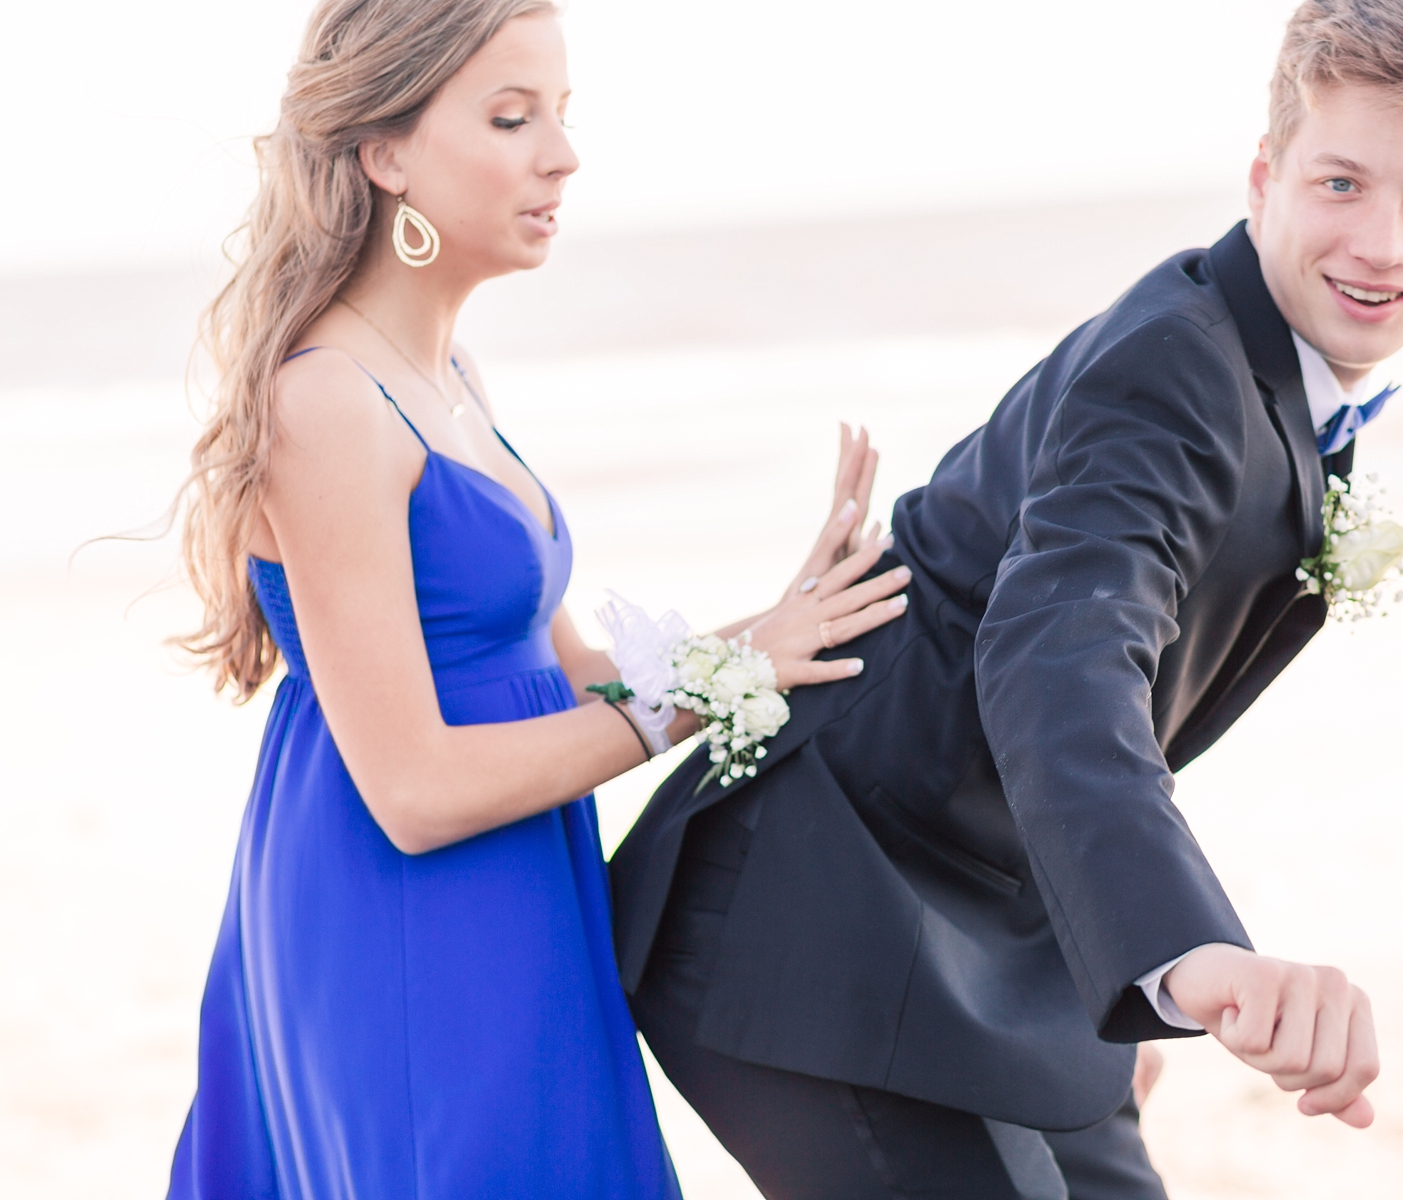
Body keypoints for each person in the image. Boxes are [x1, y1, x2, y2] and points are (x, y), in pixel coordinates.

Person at [609, 1, 1403, 1196]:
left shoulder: (1269, 373)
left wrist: (1110, 971)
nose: (1384, 244)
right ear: (1265, 179)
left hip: (992, 939)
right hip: (813, 928)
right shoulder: (1177, 367)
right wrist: (1182, 952)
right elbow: (1062, 662)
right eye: (1341, 183)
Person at [163, 2, 909, 1197]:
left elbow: (565, 674)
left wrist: (771, 631)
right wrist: (707, 698)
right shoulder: (330, 404)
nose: (561, 154)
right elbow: (411, 792)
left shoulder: (447, 374)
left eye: (562, 115)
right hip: (411, 924)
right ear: (385, 151)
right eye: (512, 117)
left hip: (520, 897)